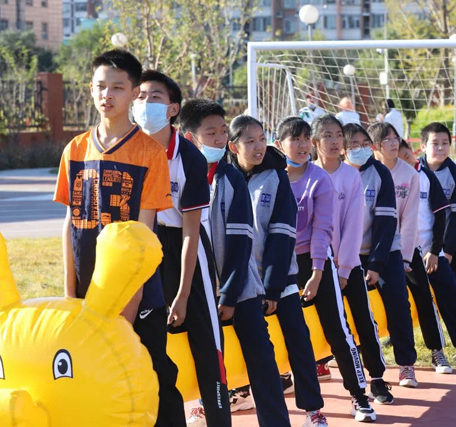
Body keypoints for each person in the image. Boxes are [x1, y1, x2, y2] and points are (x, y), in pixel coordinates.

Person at [53, 49, 186, 426]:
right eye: (100, 86)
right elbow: (70, 223)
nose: (106, 95)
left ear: (133, 93)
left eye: (117, 87)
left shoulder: (149, 153)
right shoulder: (75, 149)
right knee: (92, 386)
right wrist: (70, 293)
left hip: (136, 299)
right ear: (90, 90)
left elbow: (142, 238)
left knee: (152, 380)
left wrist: (126, 310)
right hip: (87, 293)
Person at [179, 107, 292, 427]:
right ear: (191, 138)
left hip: (240, 288)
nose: (219, 138)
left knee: (262, 360)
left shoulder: (230, 178)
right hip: (198, 288)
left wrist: (228, 294)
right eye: (210, 133)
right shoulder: (181, 174)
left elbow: (241, 242)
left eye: (222, 131)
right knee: (208, 364)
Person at [133, 74, 231, 425]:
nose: (144, 103)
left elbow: (191, 232)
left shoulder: (188, 156)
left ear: (172, 109)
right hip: (142, 246)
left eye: (154, 97)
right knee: (146, 341)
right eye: (139, 96)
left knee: (207, 343)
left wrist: (183, 294)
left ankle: (218, 416)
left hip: (184, 246)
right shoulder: (128, 149)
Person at [223, 112, 329, 427]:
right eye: (250, 141)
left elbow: (282, 234)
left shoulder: (277, 176)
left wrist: (272, 288)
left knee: (298, 338)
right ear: (234, 146)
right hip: (239, 281)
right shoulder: (222, 177)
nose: (258, 146)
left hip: (278, 278)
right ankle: (230, 398)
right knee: (247, 349)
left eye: (261, 139)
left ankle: (312, 410)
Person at [274, 116, 377, 423]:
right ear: (279, 145)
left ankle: (359, 396)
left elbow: (323, 229)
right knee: (293, 336)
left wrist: (318, 272)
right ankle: (310, 408)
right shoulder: (271, 177)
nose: (302, 145)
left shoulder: (320, 179)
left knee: (338, 330)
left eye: (306, 138)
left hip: (315, 261)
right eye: (296, 139)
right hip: (281, 263)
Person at [313, 114, 394, 405]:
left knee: (364, 322)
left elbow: (353, 226)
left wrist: (345, 268)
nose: (335, 142)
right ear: (315, 141)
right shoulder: (307, 175)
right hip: (317, 267)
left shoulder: (350, 176)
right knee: (331, 326)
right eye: (328, 136)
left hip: (348, 266)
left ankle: (377, 379)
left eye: (338, 136)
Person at [344, 122, 419, 389]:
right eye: (354, 144)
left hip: (384, 251)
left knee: (398, 305)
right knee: (353, 314)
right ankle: (354, 367)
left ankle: (406, 364)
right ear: (343, 148)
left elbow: (387, 223)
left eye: (365, 144)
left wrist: (376, 264)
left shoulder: (379, 173)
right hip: (347, 255)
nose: (360, 149)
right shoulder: (336, 174)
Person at [419, 122, 456, 358]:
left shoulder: (455, 174)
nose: (441, 148)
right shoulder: (413, 171)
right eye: (435, 143)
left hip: (449, 246)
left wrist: (449, 251)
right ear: (423, 146)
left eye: (445, 143)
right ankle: (395, 335)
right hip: (418, 246)